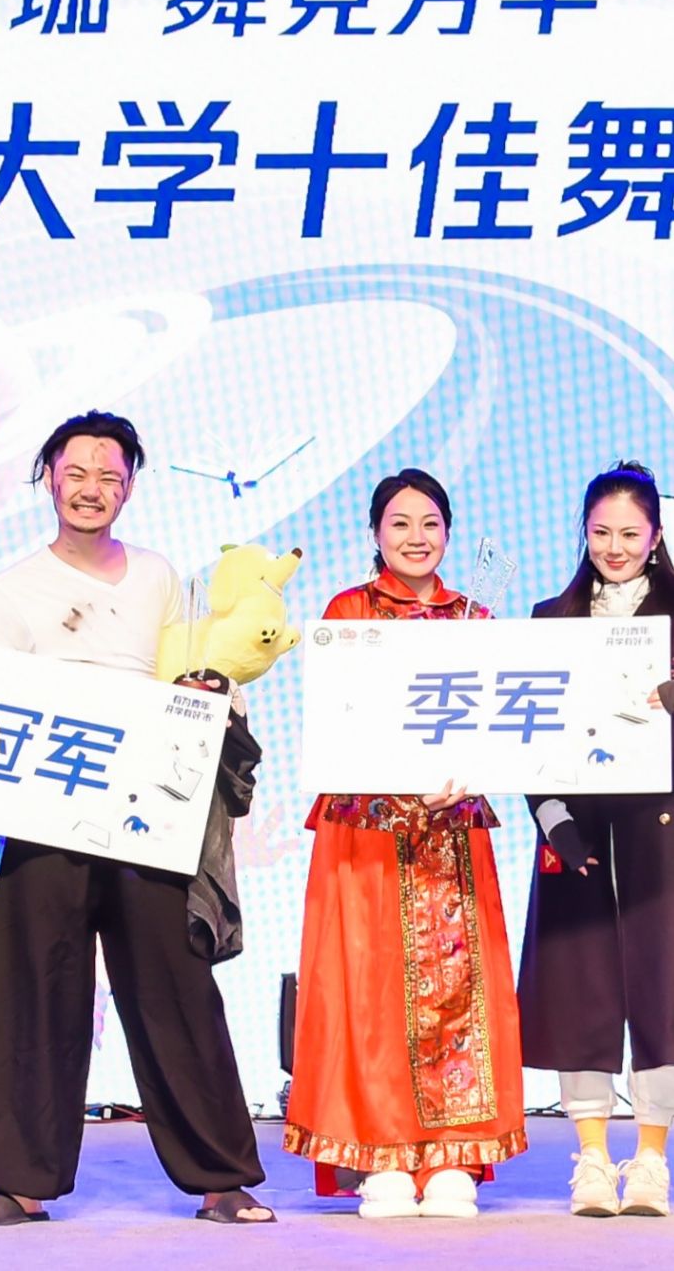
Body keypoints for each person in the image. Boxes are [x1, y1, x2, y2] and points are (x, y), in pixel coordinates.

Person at [0, 409, 273, 1227]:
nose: (91, 489)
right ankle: (18, 1182)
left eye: (110, 476)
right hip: (45, 815)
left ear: (129, 488)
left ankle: (221, 1177)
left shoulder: (160, 576)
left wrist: (210, 692)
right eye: (77, 474)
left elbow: (196, 670)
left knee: (175, 989)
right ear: (48, 480)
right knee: (35, 991)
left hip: (146, 815)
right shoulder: (9, 590)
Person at [283, 468, 527, 1219]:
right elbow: (336, 717)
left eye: (430, 524)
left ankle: (453, 1158)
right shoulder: (347, 611)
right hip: (367, 833)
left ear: (448, 533)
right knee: (370, 990)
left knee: (458, 993)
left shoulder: (476, 619)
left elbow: (498, 727)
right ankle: (380, 1157)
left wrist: (469, 774)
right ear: (375, 533)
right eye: (399, 523)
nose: (416, 538)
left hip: (451, 830)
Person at [518, 461, 674, 1217]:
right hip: (575, 832)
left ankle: (651, 1160)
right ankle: (589, 1159)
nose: (615, 548)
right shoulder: (551, 619)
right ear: (583, 533)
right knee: (579, 989)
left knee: (663, 991)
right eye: (601, 532)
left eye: (630, 534)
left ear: (656, 536)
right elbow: (523, 735)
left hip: (662, 831)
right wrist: (556, 821)